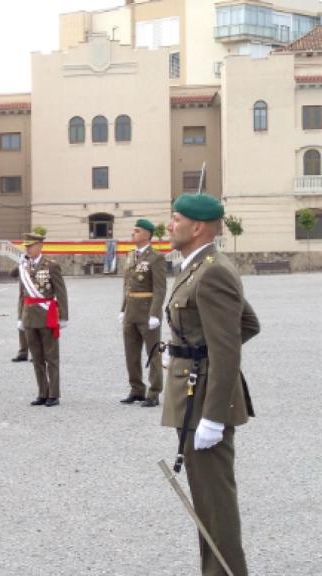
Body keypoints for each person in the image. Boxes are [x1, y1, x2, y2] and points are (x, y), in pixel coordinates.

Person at [162, 193, 259, 576]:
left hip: (205, 403)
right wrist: (189, 351)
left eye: (174, 218)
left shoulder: (212, 271)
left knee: (215, 506)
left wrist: (215, 415)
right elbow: (246, 325)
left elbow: (230, 344)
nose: (169, 225)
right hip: (194, 394)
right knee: (206, 503)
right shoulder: (196, 266)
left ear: (196, 227)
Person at [119, 219, 167, 408]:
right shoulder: (131, 255)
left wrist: (155, 314)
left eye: (137, 231)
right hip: (131, 311)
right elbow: (127, 286)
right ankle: (136, 389)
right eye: (133, 231)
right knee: (131, 353)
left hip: (147, 312)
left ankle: (154, 392)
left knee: (152, 353)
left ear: (147, 234)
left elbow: (160, 288)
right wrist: (123, 309)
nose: (133, 234)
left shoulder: (156, 257)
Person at [17, 233, 69, 407]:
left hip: (47, 316)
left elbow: (61, 292)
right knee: (37, 358)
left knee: (51, 357)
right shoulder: (24, 266)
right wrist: (19, 317)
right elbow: (21, 295)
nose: (27, 249)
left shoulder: (51, 265)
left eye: (30, 246)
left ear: (40, 246)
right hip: (29, 317)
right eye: (26, 246)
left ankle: (54, 394)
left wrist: (64, 316)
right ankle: (42, 392)